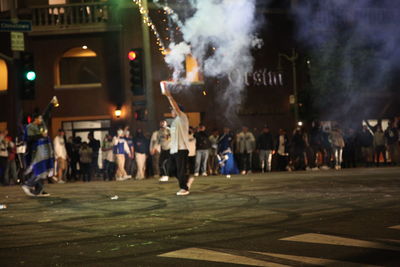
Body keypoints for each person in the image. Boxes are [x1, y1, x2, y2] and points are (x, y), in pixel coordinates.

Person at [21, 97, 58, 196]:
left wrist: (51, 104)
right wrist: (41, 135)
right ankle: (28, 184)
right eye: (40, 118)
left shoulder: (41, 124)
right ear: (35, 119)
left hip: (44, 151)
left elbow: (45, 114)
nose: (41, 119)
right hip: (35, 152)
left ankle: (39, 190)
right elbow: (29, 139)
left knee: (43, 170)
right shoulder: (30, 127)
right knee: (39, 169)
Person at [161, 81, 191, 196]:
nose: (171, 111)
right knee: (171, 169)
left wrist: (169, 95)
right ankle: (186, 179)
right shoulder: (175, 122)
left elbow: (176, 108)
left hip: (182, 148)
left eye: (172, 109)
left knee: (180, 170)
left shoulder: (182, 117)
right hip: (174, 149)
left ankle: (184, 188)